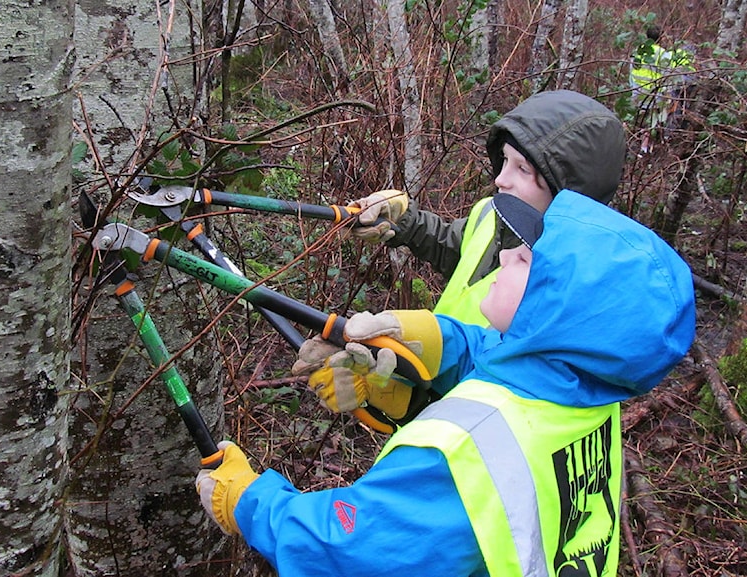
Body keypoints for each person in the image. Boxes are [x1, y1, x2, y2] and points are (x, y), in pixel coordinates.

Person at [197, 190, 697, 576]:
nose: (501, 259)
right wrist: (434, 339)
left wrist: (248, 502)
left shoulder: (462, 455)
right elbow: (516, 364)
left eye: (524, 262)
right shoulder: (590, 394)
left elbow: (348, 552)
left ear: (556, 314)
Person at [292, 89, 627, 421]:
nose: (500, 179)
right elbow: (458, 249)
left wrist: (412, 403)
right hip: (438, 387)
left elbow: (516, 402)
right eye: (504, 161)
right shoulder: (492, 215)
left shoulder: (564, 294)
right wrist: (404, 220)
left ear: (569, 193)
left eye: (522, 169)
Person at [629, 26, 696, 153]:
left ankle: (640, 146)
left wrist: (633, 88)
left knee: (642, 121)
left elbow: (631, 72)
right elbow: (668, 75)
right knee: (653, 121)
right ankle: (649, 147)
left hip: (638, 92)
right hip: (655, 94)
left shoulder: (638, 51)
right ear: (661, 38)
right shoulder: (663, 54)